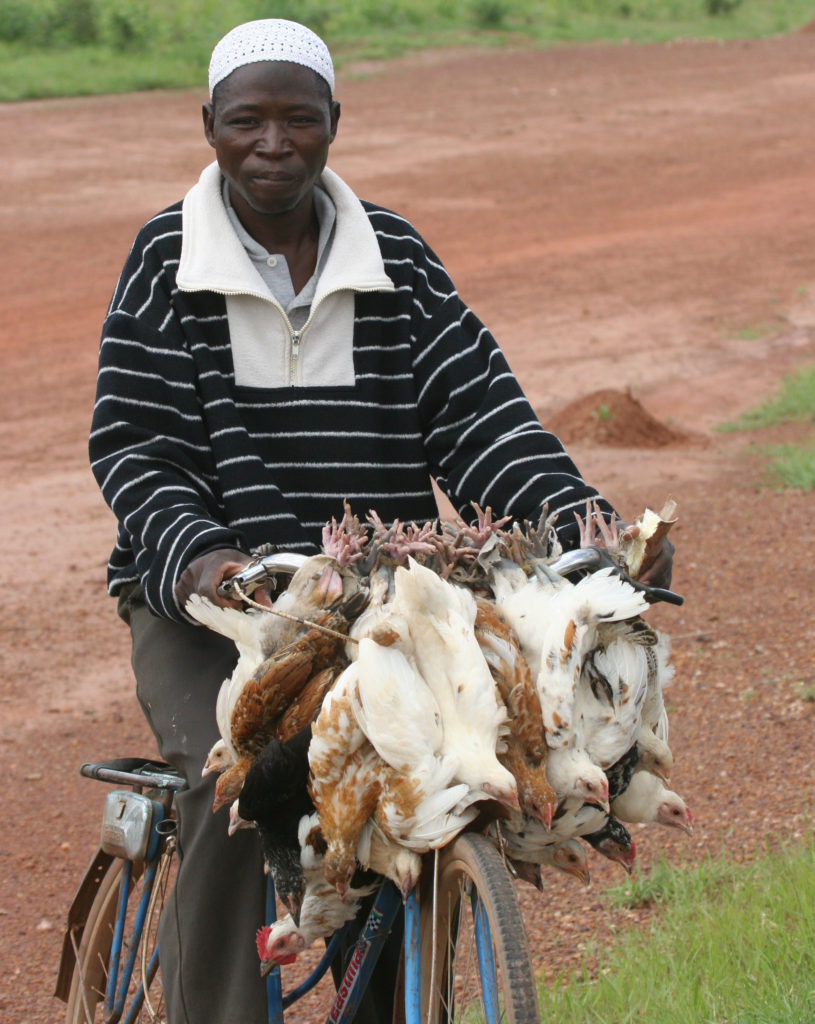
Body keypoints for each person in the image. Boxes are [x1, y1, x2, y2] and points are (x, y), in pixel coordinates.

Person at [89, 18, 672, 1024]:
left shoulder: (391, 255)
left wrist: (578, 521)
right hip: (218, 610)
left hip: (381, 600)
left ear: (332, 126)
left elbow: (478, 413)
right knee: (234, 790)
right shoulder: (165, 261)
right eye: (246, 121)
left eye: (296, 119)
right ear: (208, 128)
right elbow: (135, 446)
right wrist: (204, 560)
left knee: (431, 794)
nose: (271, 142)